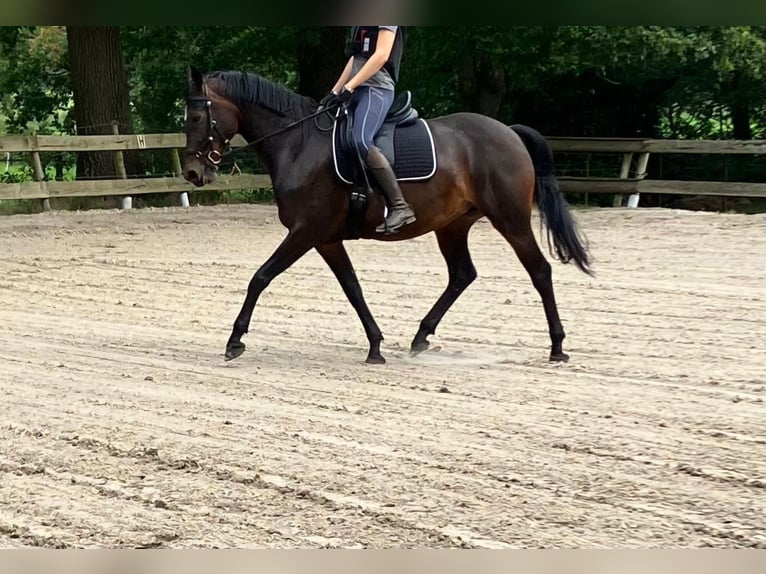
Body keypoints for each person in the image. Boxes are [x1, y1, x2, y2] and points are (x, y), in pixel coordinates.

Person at [319, 26, 416, 234]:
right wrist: (335, 91)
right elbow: (356, 60)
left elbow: (381, 55)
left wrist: (350, 86)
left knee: (360, 139)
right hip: (358, 89)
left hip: (377, 89)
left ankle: (399, 205)